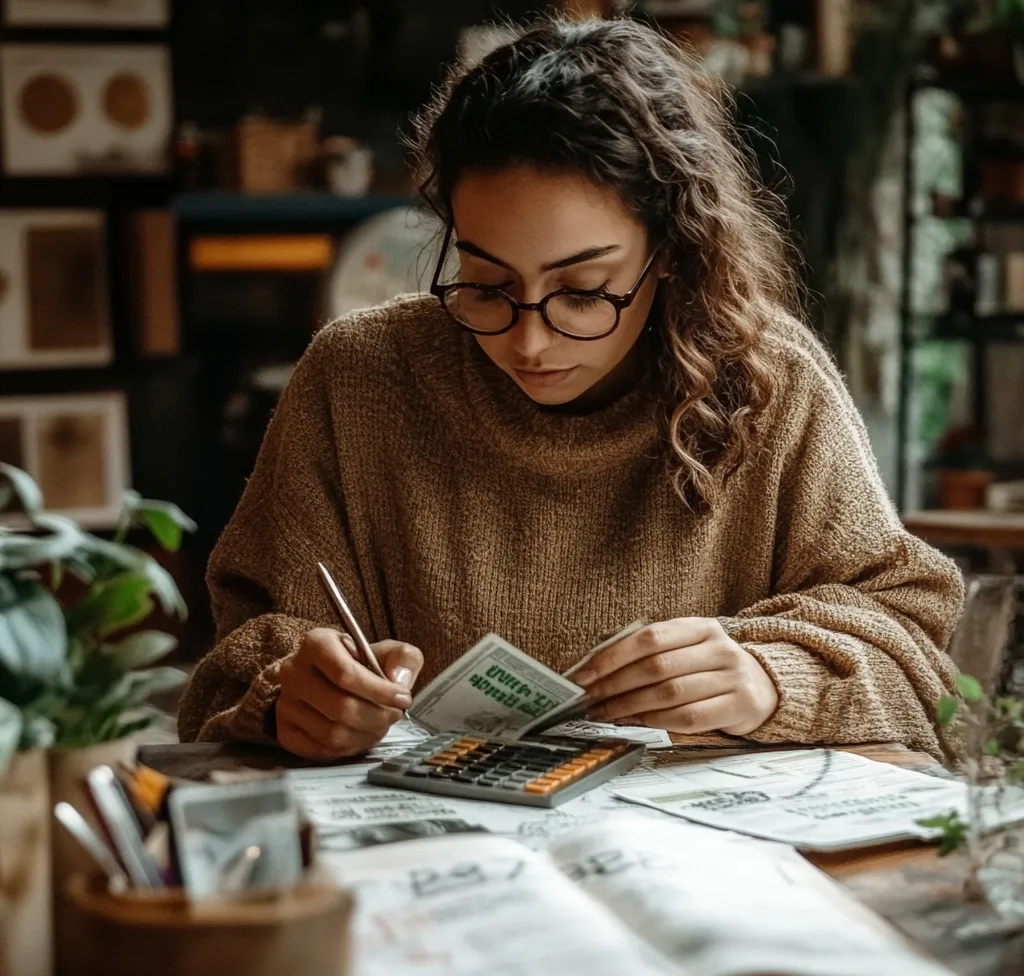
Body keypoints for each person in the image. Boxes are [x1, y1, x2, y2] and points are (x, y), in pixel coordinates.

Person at [178, 17, 963, 761]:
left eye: (582, 290)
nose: (528, 340)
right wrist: (291, 700)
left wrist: (768, 680)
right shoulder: (358, 376)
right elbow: (230, 666)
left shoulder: (771, 383)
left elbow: (919, 661)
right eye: (485, 283)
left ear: (672, 250)